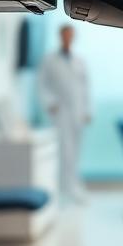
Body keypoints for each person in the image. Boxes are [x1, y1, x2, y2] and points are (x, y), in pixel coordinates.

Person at [39, 24, 91, 203]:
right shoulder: (49, 60)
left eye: (71, 35)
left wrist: (88, 110)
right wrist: (50, 103)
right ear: (60, 36)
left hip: (77, 112)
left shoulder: (80, 60)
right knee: (64, 151)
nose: (68, 38)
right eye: (65, 35)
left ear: (74, 37)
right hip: (60, 112)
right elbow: (42, 84)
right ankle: (63, 189)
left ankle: (73, 186)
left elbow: (85, 87)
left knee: (75, 151)